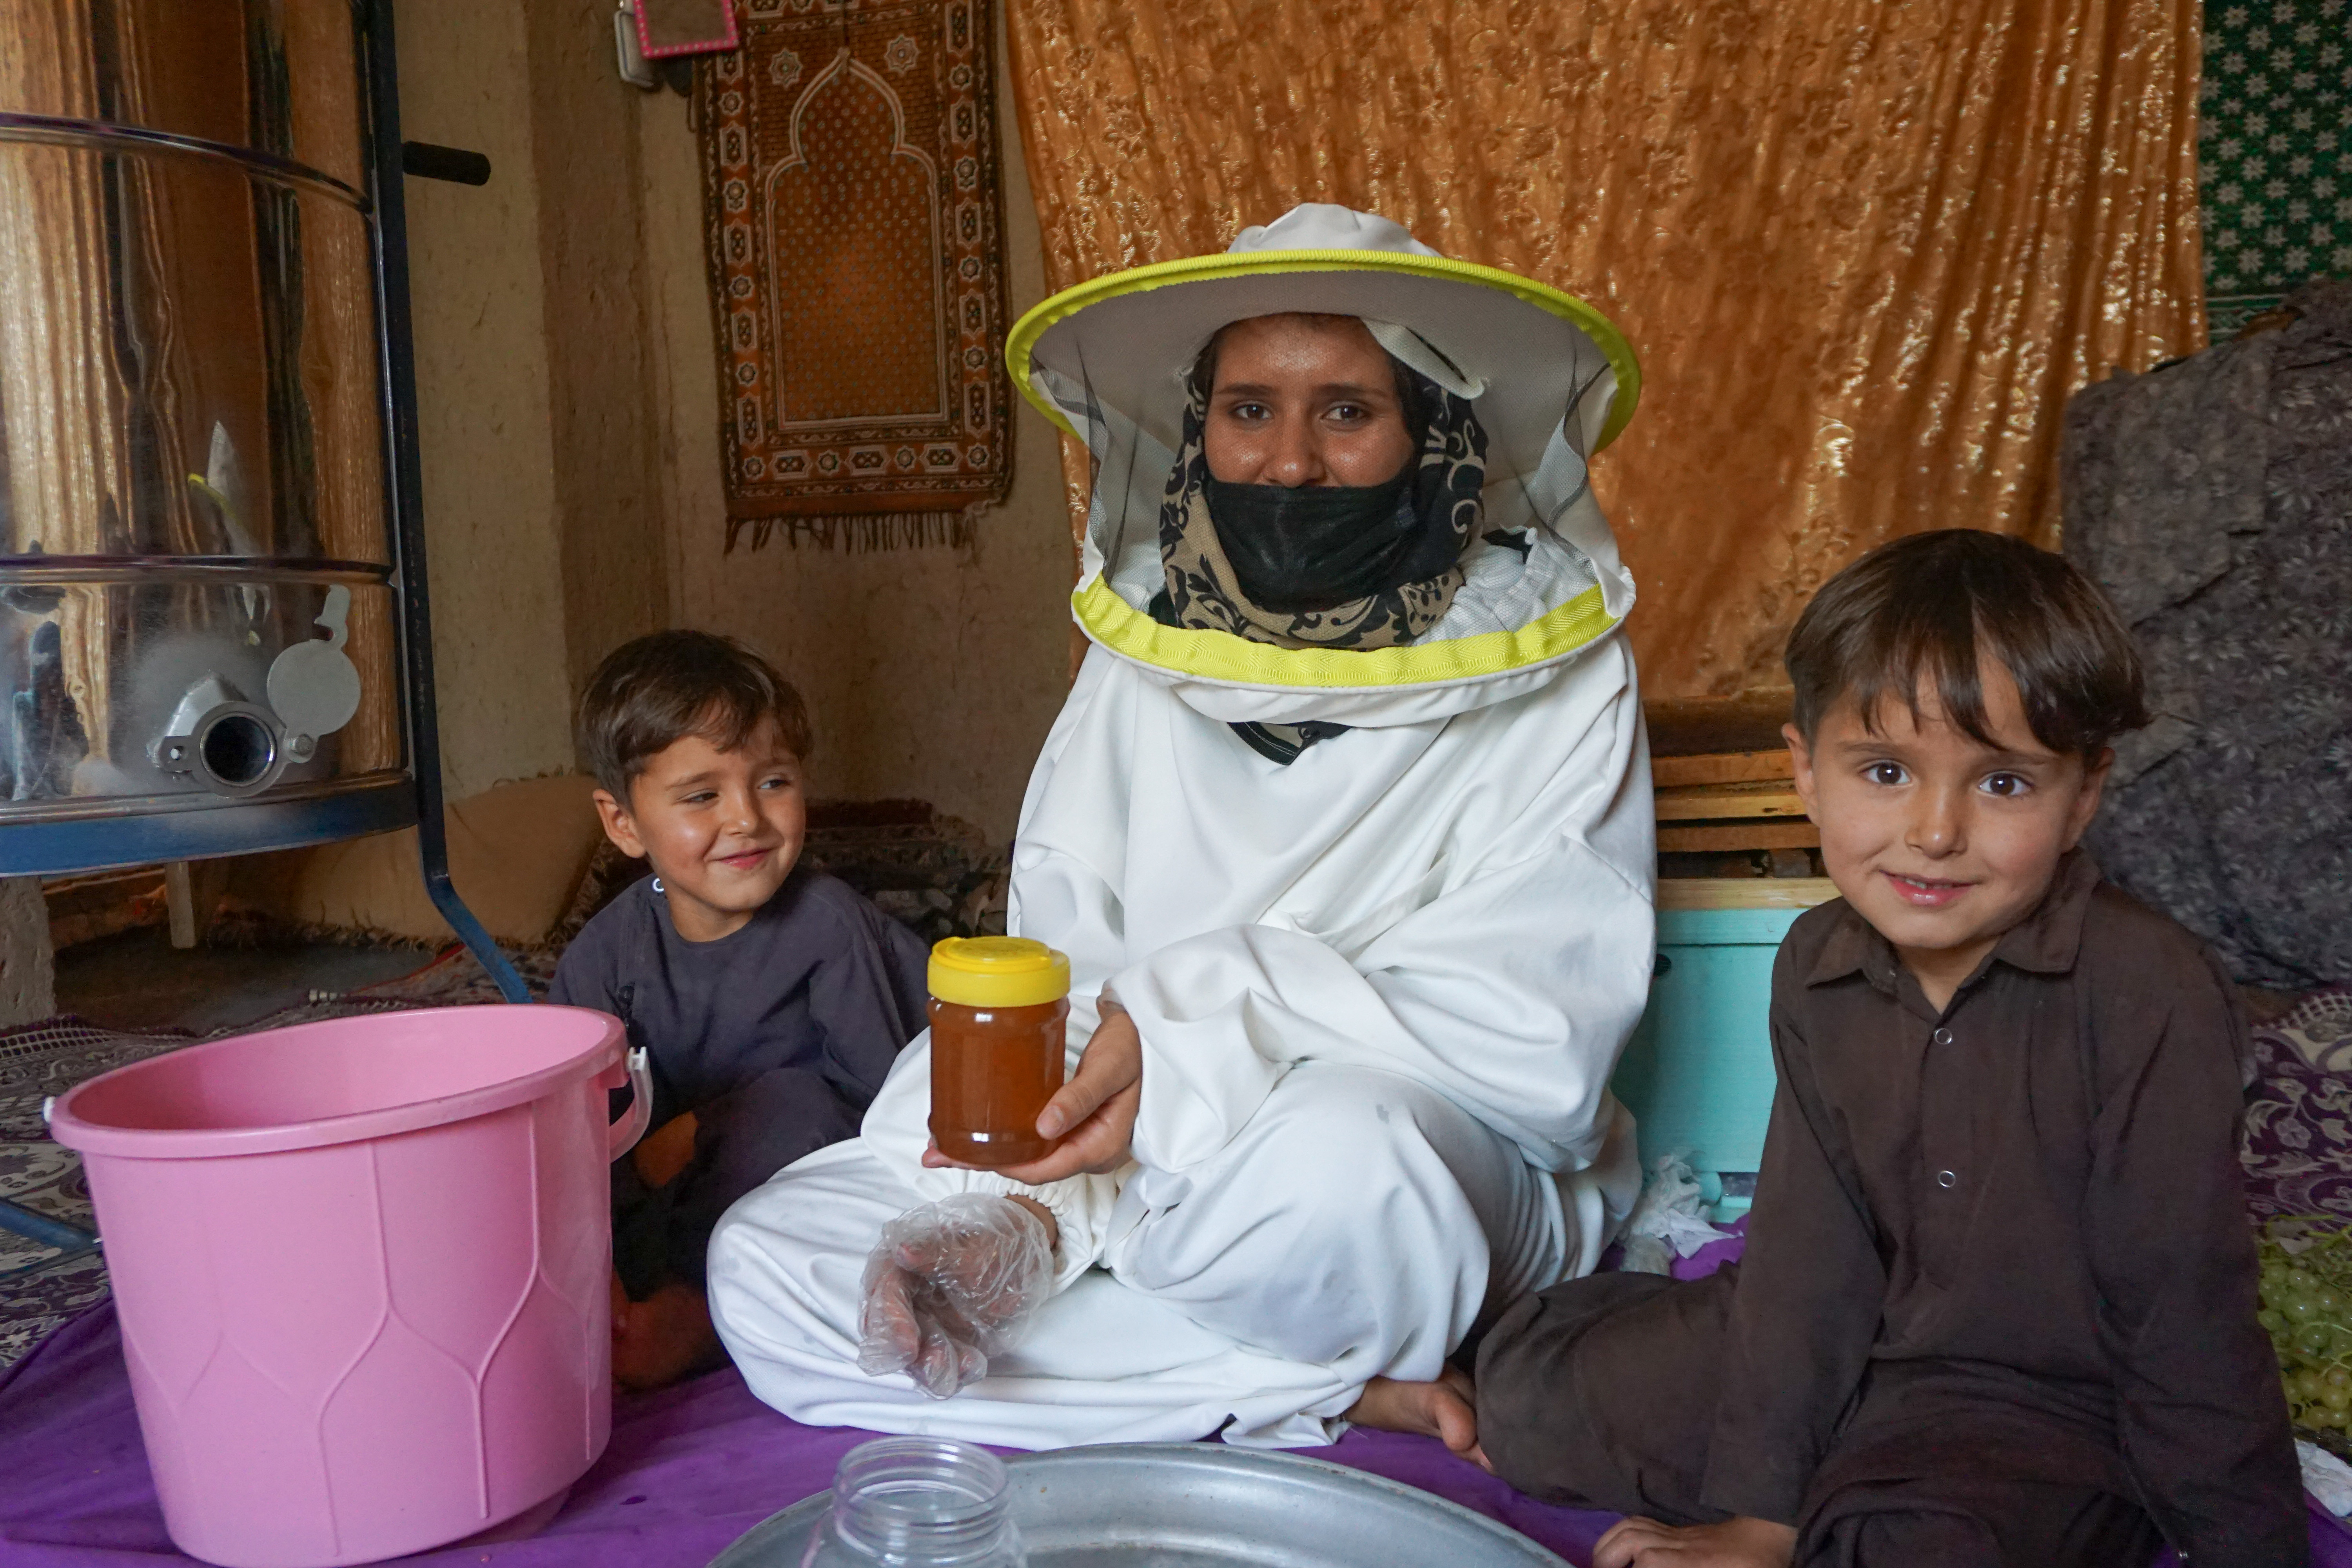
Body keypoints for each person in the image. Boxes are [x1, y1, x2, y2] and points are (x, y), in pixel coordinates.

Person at [707, 204, 1655, 1450]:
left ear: (1433, 433)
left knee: (1350, 1175)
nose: (1291, 463)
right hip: (1119, 1137)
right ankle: (1304, 1381)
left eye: (1349, 412)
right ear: (1200, 428)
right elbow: (1066, 961)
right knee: (765, 1264)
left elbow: (1535, 1038)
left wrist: (1209, 1015)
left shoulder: (1559, 660)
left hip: (1381, 1144)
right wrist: (1033, 1205)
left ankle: (1140, 1348)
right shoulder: (1140, 653)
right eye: (1250, 409)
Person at [1473, 530, 2306, 1567]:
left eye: (2002, 785)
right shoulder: (1815, 963)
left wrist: (2249, 1548)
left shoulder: (2150, 992)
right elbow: (1806, 1261)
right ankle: (1726, 1417)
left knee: (1920, 1544)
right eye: (1884, 770)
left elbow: (2185, 1311)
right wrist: (1760, 1514)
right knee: (1530, 1409)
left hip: (2031, 1399)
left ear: (2084, 794)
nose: (1937, 831)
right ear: (1806, 773)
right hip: (1843, 1344)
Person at [550, 630, 929, 1390]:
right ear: (624, 823)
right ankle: (628, 1303)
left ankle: (697, 1315)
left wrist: (704, 1126)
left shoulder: (828, 924)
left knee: (792, 1103)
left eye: (774, 782)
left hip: (803, 1203)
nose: (747, 819)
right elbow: (573, 1141)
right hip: (661, 1211)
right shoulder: (606, 954)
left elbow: (886, 1114)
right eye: (701, 796)